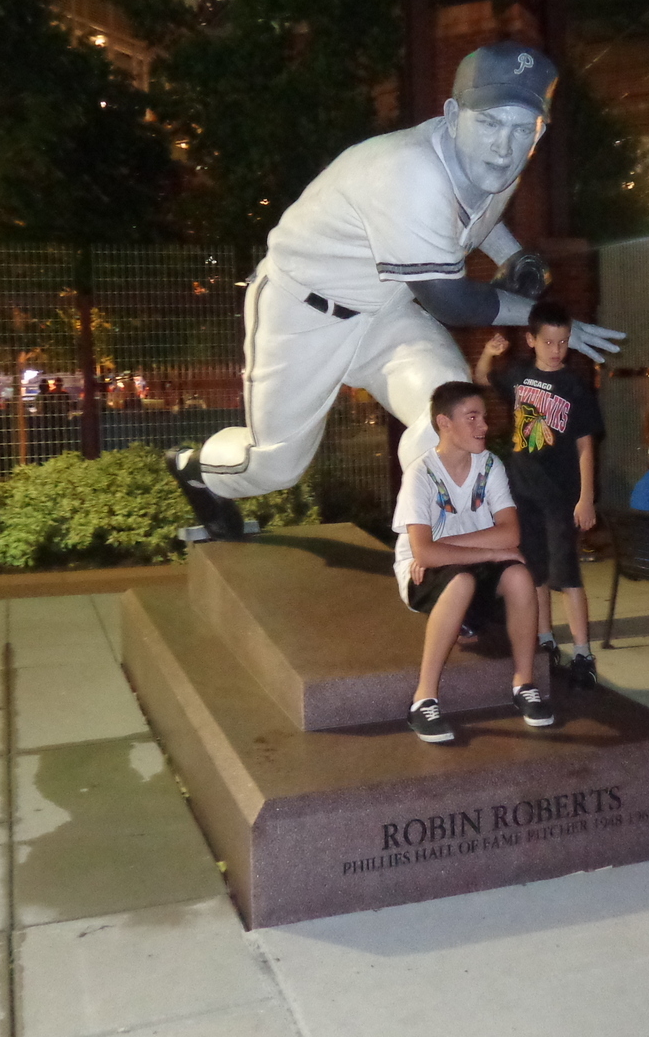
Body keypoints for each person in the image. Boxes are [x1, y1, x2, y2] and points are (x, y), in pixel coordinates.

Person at [170, 42, 623, 538]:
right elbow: (449, 301)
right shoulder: (410, 172)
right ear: (452, 115)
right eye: (490, 122)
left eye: (522, 128)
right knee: (275, 466)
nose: (504, 144)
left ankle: (436, 564)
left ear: (540, 129)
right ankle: (195, 470)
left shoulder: (498, 159)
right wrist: (549, 321)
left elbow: (478, 216)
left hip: (387, 311)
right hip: (303, 312)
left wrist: (511, 255)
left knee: (451, 419)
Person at [393, 381, 552, 743]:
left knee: (519, 576)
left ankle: (523, 684)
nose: (483, 426)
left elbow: (510, 534)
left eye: (484, 417)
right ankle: (423, 700)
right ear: (444, 423)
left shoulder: (489, 464)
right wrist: (489, 551)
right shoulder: (420, 474)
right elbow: (426, 555)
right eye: (472, 417)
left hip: (465, 563)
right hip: (424, 573)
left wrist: (444, 544)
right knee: (461, 580)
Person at [474, 301, 605, 689]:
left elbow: (586, 446)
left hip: (559, 493)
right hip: (522, 489)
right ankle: (546, 640)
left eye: (563, 342)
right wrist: (488, 352)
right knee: (535, 570)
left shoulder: (574, 386)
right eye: (548, 342)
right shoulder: (517, 374)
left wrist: (586, 497)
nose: (556, 349)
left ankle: (583, 652)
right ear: (531, 340)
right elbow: (482, 378)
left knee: (567, 573)